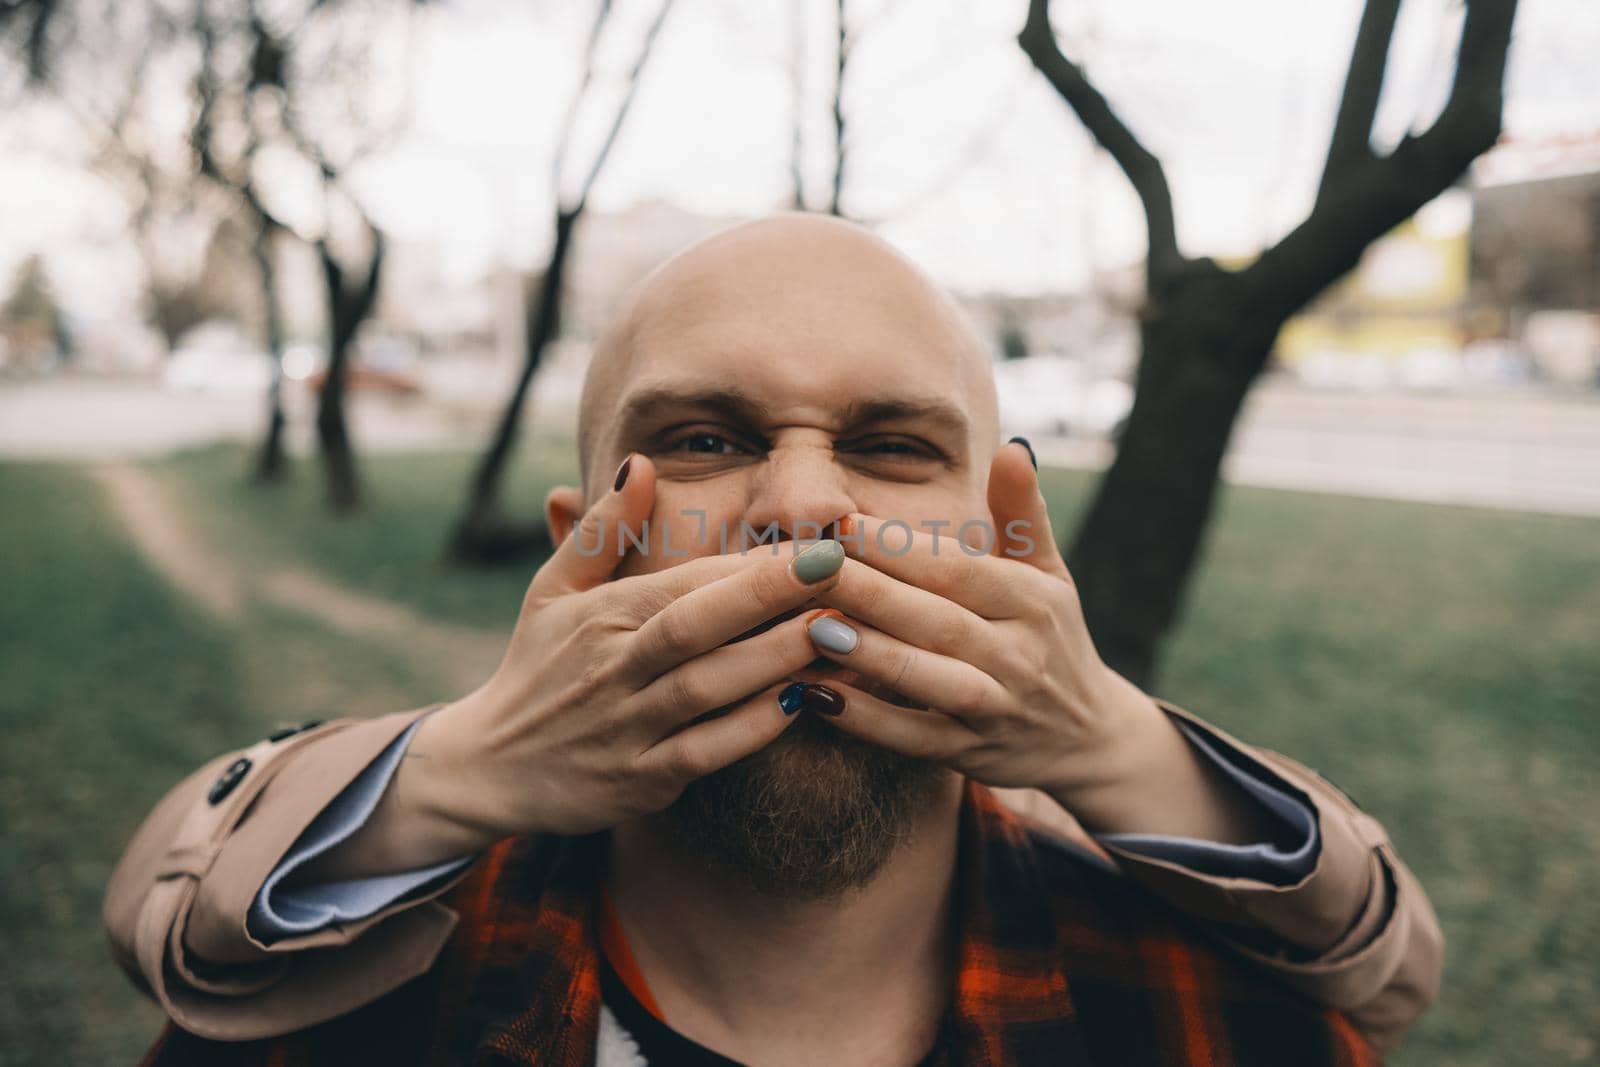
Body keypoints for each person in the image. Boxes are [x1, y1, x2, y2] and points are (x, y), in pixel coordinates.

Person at [108, 215, 1440, 1066]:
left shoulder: (1217, 1024)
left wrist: (1103, 739)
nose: (805, 504)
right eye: (704, 439)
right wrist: (462, 767)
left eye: (889, 446)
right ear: (586, 547)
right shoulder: (329, 1026)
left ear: (1003, 537)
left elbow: (1386, 973)